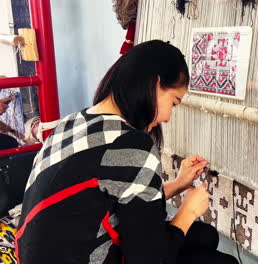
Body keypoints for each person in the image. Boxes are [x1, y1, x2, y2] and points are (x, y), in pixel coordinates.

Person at [17, 40, 239, 264]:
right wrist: (188, 211)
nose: (167, 118)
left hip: (47, 253)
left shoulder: (72, 123)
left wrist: (178, 184)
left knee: (204, 236)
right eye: (173, 102)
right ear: (155, 84)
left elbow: (110, 197)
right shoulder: (131, 144)